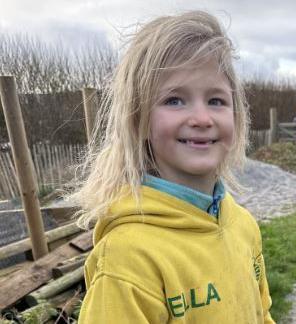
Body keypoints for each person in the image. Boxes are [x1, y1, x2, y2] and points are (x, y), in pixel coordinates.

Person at [70, 11, 274, 323]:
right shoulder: (128, 260)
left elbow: (263, 313)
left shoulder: (242, 226)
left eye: (216, 100)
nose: (202, 119)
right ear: (139, 119)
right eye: (175, 100)